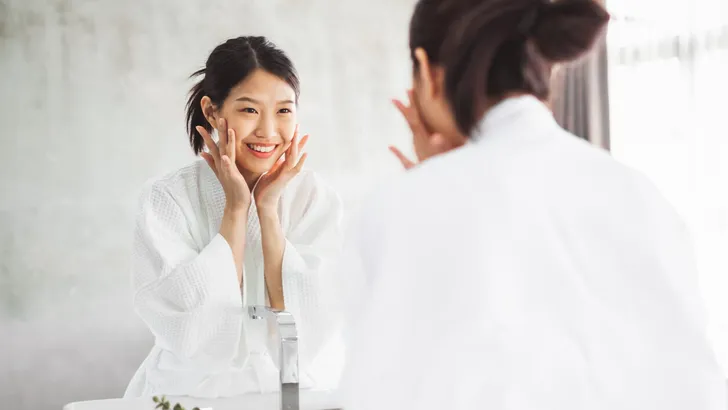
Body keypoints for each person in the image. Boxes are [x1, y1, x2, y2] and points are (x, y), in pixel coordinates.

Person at [338, 1, 727, 409]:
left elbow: (379, 390)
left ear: (426, 72)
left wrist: (436, 185)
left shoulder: (400, 209)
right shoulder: (641, 196)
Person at [124, 36, 343, 398]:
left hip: (301, 390)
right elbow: (190, 327)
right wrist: (237, 209)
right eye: (249, 110)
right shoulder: (167, 198)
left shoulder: (313, 196)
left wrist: (268, 210)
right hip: (190, 392)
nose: (268, 132)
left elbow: (316, 322)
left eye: (284, 111)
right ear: (212, 112)